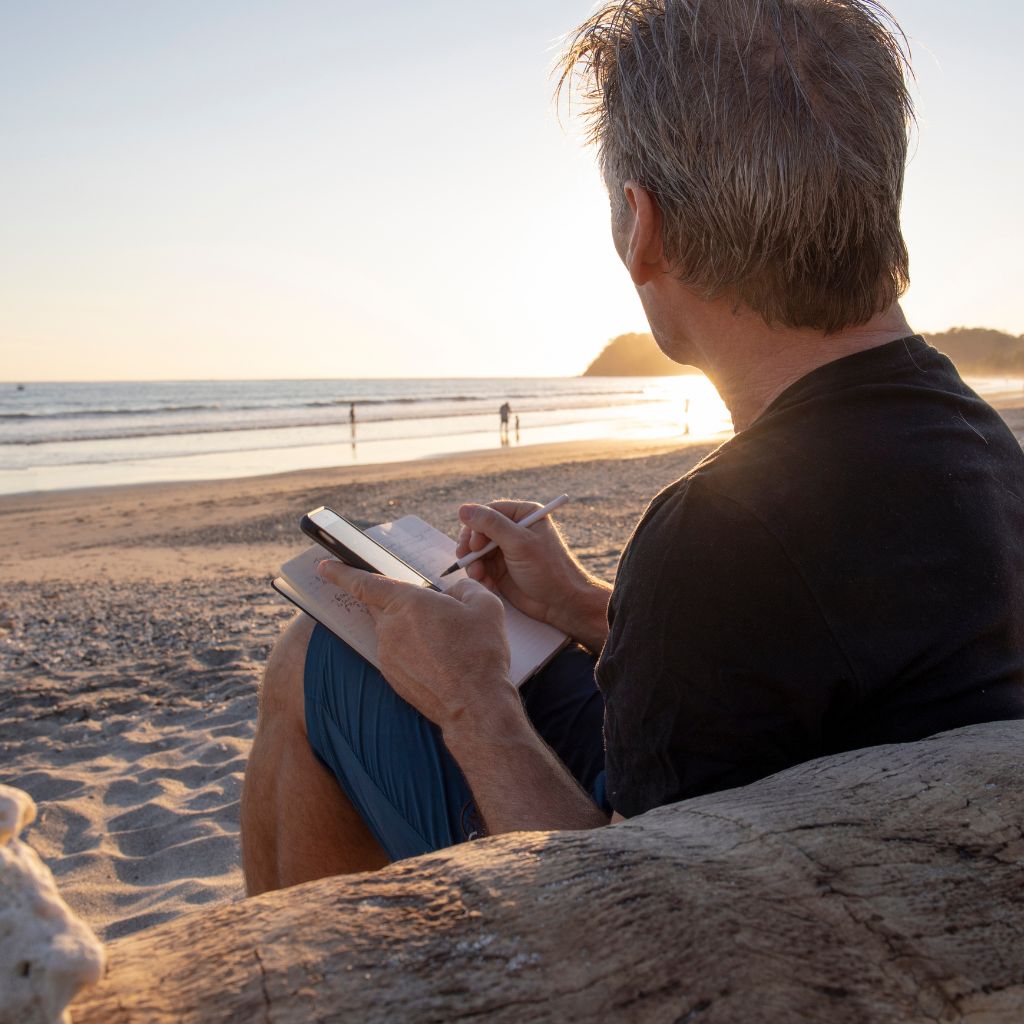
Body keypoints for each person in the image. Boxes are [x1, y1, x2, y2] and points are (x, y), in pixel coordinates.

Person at [241, 0, 1024, 892]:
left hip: (732, 903)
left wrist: (473, 700)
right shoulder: (978, 441)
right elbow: (828, 652)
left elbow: (626, 901)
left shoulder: (718, 535)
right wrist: (581, 603)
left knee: (311, 660)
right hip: (856, 836)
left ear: (642, 226)